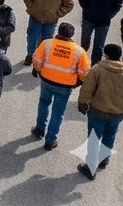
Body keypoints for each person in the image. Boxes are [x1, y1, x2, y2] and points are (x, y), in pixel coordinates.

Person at [77, 43, 123, 180]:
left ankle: (90, 168)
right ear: (120, 56)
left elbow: (87, 88)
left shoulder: (97, 69)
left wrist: (82, 102)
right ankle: (104, 159)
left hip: (97, 111)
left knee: (94, 138)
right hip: (116, 114)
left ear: (106, 55)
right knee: (110, 136)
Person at [32, 22, 91, 151]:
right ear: (72, 35)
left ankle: (39, 129)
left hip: (47, 80)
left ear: (58, 32)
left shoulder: (47, 43)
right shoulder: (79, 51)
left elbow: (36, 60)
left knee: (43, 103)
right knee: (58, 112)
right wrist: (78, 82)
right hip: (65, 86)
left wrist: (40, 70)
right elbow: (85, 72)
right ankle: (50, 140)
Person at [22, 0, 74, 65]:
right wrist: (31, 7)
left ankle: (41, 59)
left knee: (46, 42)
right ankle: (30, 55)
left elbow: (69, 4)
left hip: (51, 21)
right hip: (35, 17)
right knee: (32, 38)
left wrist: (57, 14)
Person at [78, 0, 123, 64]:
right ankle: (82, 63)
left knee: (99, 46)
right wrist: (87, 9)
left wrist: (109, 15)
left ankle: (95, 67)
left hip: (104, 23)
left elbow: (118, 4)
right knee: (84, 43)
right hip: (88, 19)